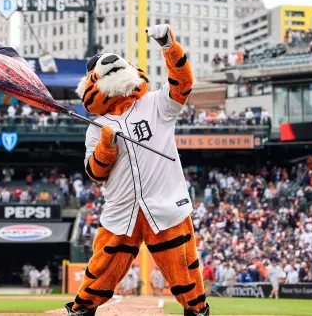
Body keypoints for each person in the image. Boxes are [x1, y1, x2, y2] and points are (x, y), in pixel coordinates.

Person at [66, 25, 209, 316]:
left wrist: (169, 46)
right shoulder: (96, 127)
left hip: (165, 204)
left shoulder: (155, 103)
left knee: (183, 267)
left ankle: (197, 310)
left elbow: (183, 84)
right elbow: (94, 172)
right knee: (103, 266)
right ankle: (82, 309)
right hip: (122, 210)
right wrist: (106, 147)